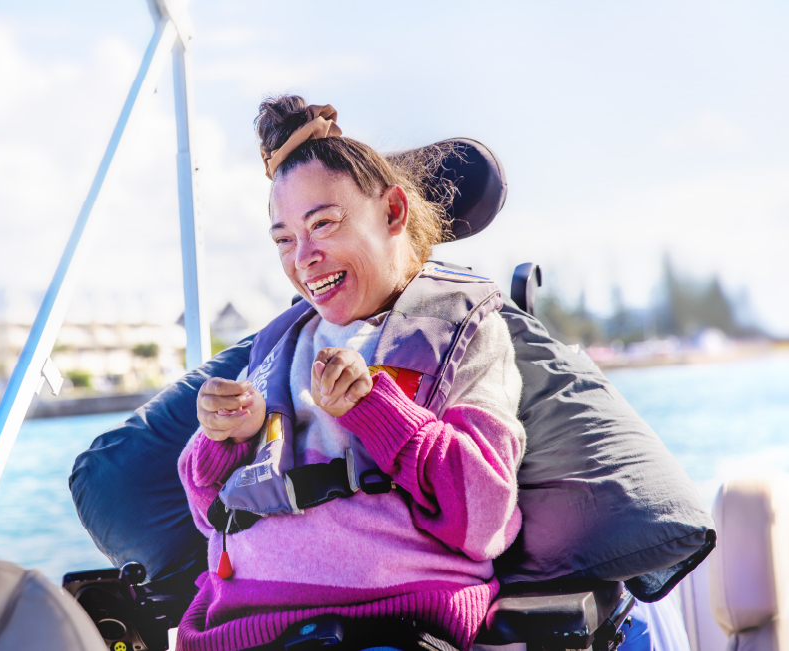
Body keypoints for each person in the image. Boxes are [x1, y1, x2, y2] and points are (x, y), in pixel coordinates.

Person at [175, 96, 527, 651]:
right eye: (284, 240)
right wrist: (223, 439)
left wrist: (376, 411)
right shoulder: (279, 344)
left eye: (324, 224)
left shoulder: (462, 335)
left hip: (391, 625)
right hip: (238, 628)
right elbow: (209, 517)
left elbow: (483, 517)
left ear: (393, 211)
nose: (303, 258)